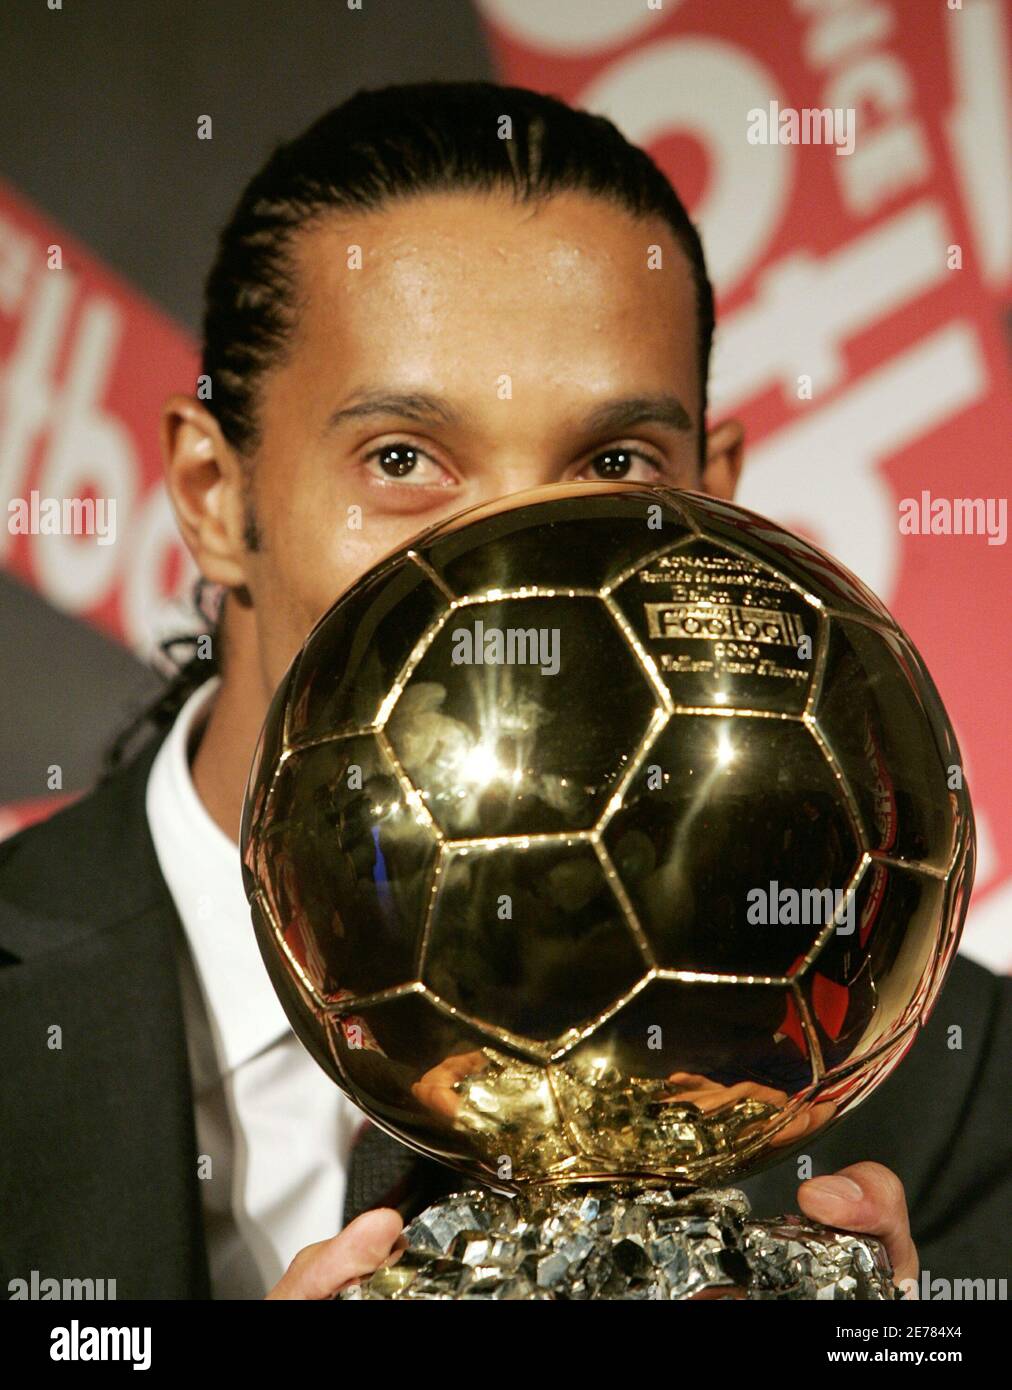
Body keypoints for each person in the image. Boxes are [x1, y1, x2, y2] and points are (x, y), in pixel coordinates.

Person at [1, 82, 1008, 1302]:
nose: (516, 574)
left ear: (718, 511)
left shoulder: (948, 1078)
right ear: (216, 493)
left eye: (614, 465)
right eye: (405, 461)